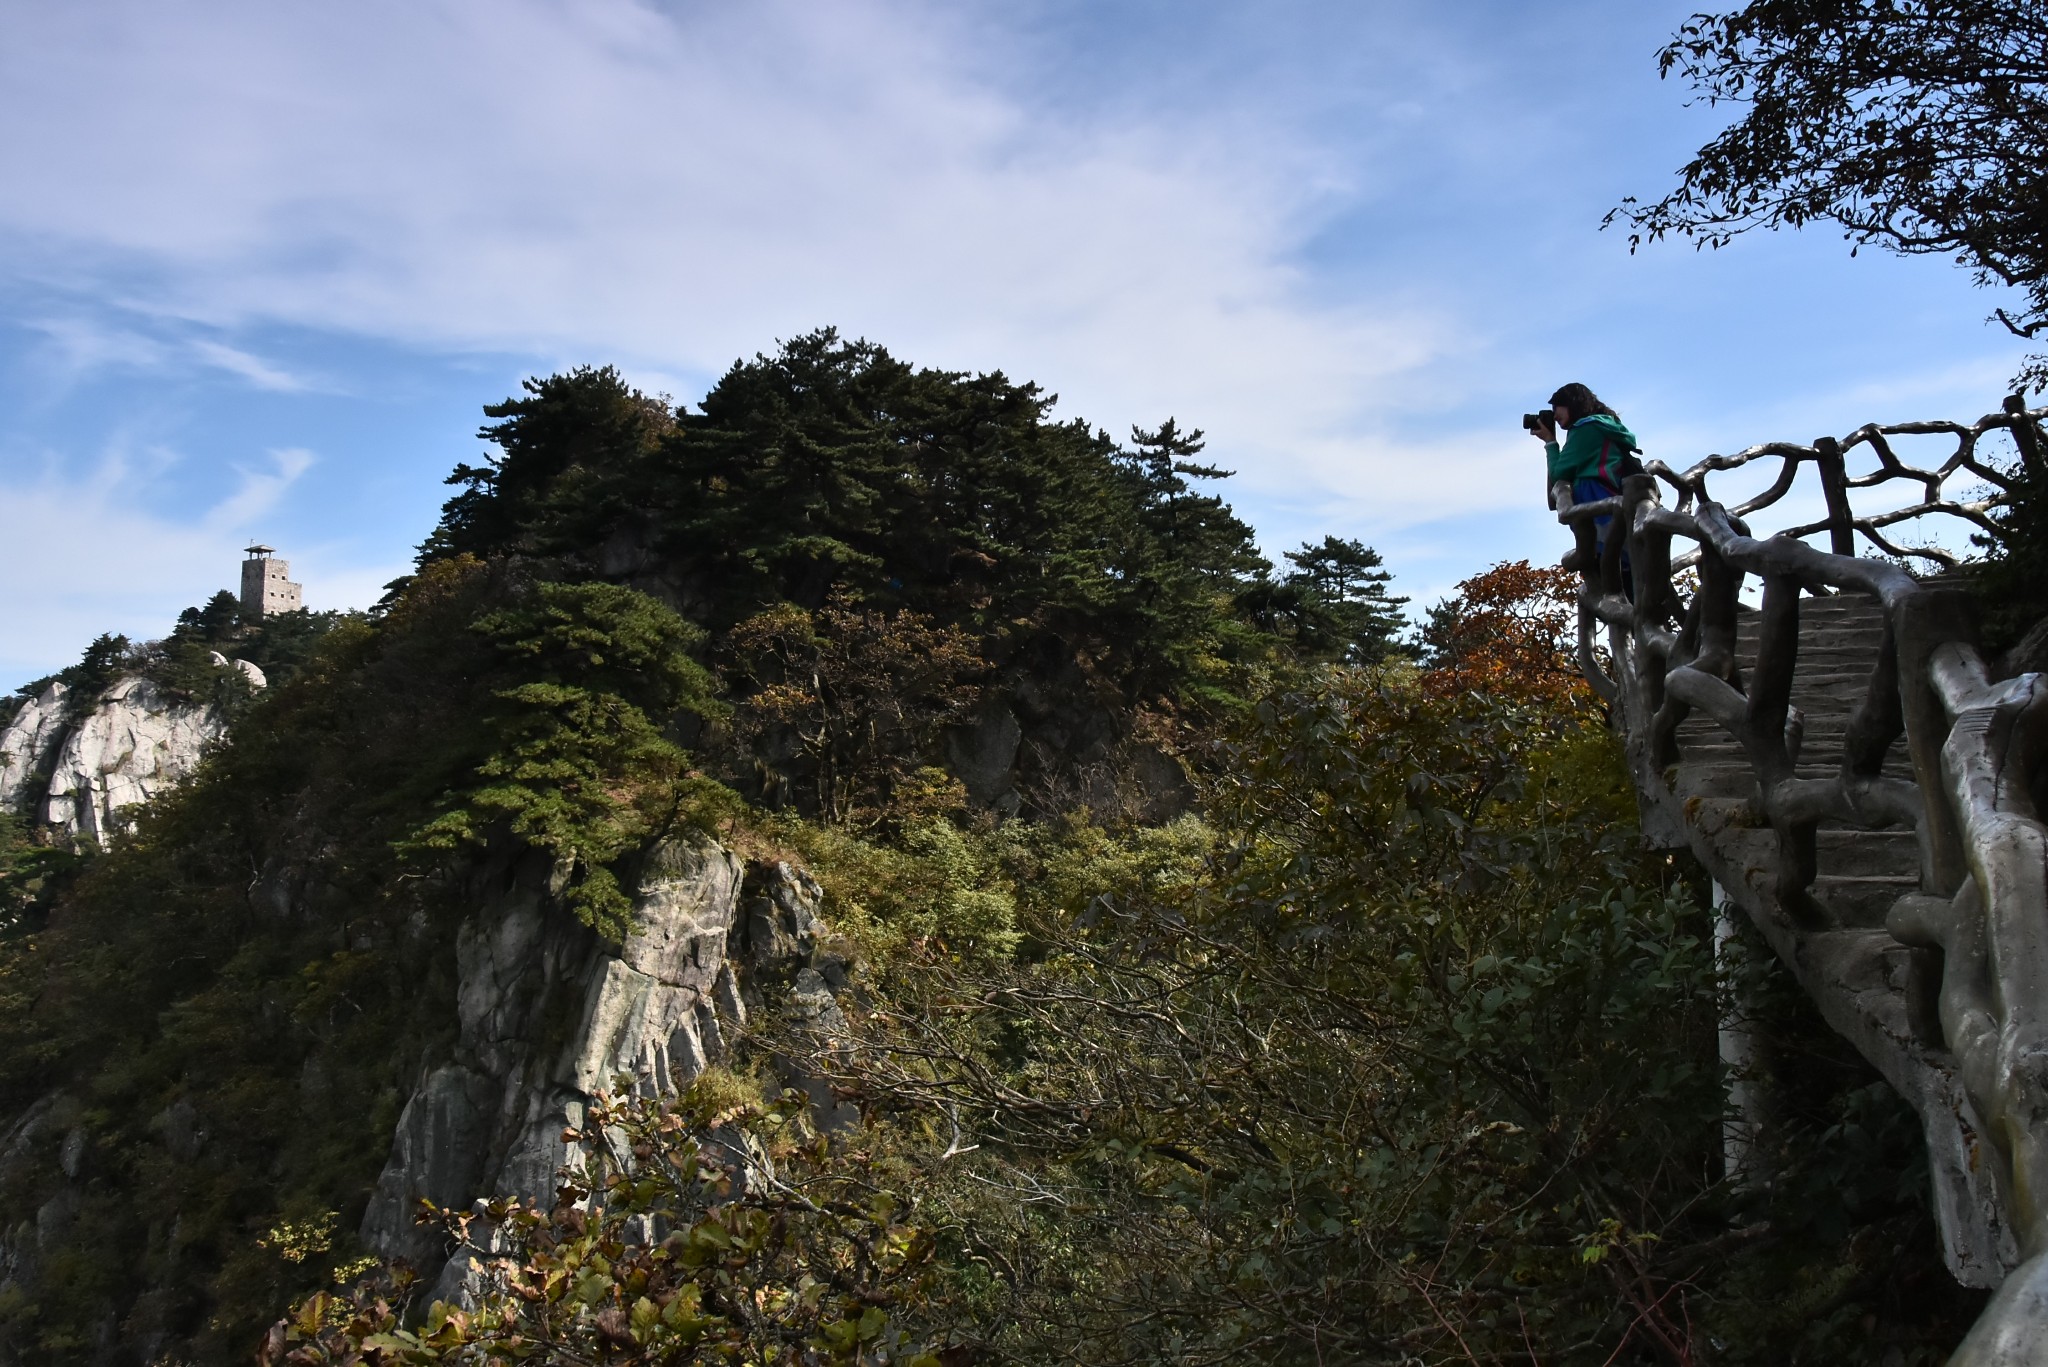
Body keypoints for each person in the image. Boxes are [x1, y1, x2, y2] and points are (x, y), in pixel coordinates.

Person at [1530, 382, 1640, 577]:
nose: (1554, 415)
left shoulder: (1585, 428)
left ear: (1573, 403)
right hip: (1613, 501)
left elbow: (1559, 473)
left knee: (1608, 571)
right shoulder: (1605, 424)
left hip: (1597, 503)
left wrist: (1551, 443)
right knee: (1623, 571)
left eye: (1557, 407)